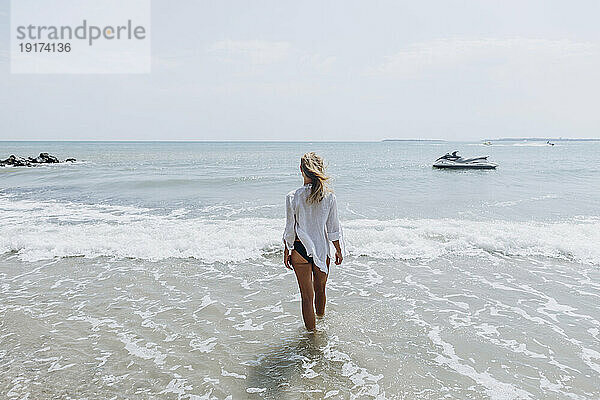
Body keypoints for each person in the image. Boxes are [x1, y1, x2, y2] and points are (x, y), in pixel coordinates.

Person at [283, 152, 343, 331]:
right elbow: (333, 228)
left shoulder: (293, 196)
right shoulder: (329, 197)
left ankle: (312, 338)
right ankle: (321, 322)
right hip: (322, 249)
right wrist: (338, 250)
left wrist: (287, 250)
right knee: (320, 291)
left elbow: (290, 229)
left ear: (301, 170)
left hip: (300, 250)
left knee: (306, 297)